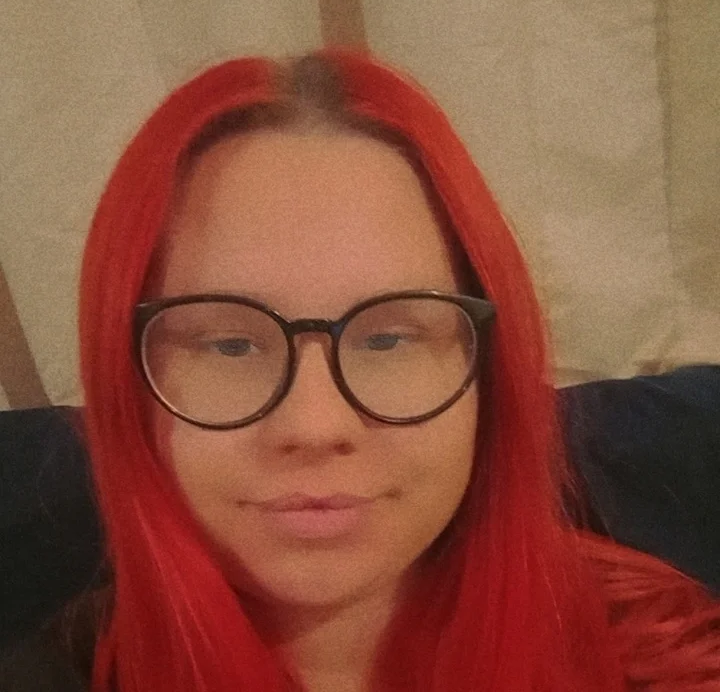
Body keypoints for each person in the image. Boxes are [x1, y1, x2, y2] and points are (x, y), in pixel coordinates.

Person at [15, 48, 720, 691]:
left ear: (489, 374)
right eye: (230, 345)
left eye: (388, 339)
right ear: (126, 386)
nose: (315, 425)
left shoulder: (652, 649)